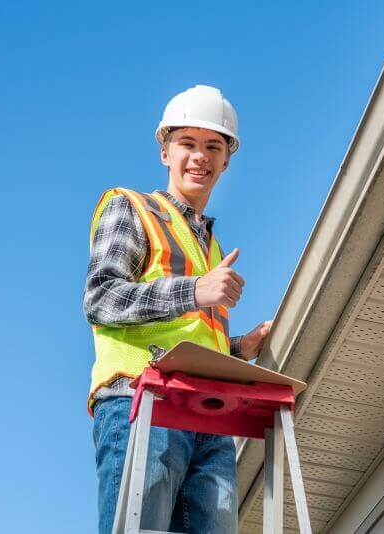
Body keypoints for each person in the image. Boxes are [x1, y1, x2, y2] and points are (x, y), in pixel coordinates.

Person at [83, 84, 273, 533]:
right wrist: (194, 291)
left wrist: (239, 349)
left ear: (227, 160)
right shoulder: (131, 208)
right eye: (187, 143)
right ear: (165, 151)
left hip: (207, 415)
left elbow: (190, 338)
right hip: (141, 401)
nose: (200, 157)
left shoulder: (212, 248)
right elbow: (101, 298)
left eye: (213, 146)